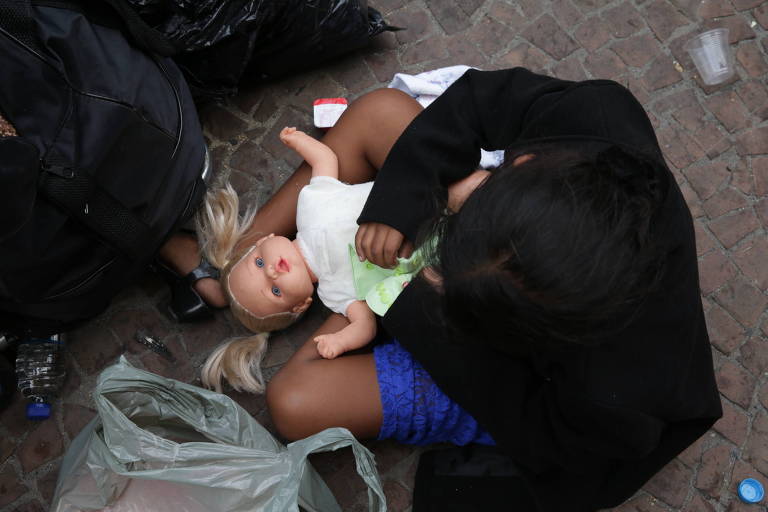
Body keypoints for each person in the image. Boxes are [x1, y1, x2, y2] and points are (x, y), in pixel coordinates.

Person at [168, 67, 722, 511]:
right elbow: (476, 99)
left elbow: (546, 443)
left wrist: (411, 307)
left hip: (513, 385)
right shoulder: (594, 114)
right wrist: (406, 199)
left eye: (445, 282)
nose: (423, 265)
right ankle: (241, 252)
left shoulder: (624, 393)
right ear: (523, 163)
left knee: (292, 404)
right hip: (491, 289)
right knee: (380, 114)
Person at [197, 126, 455, 392]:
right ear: (301, 305)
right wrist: (340, 341)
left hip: (416, 196)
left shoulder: (308, 207)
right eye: (274, 290)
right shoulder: (334, 292)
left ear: (264, 240)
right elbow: (365, 325)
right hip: (433, 250)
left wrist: (299, 141)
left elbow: (325, 161)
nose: (272, 272)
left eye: (260, 263)